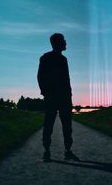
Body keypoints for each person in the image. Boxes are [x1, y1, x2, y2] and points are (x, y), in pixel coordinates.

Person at [37, 33, 79, 162]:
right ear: (57, 43)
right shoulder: (45, 57)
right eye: (64, 41)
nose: (66, 43)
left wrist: (69, 94)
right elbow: (40, 76)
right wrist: (45, 92)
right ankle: (47, 151)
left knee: (67, 125)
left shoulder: (64, 59)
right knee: (49, 124)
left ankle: (67, 151)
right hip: (52, 97)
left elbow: (67, 79)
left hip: (65, 97)